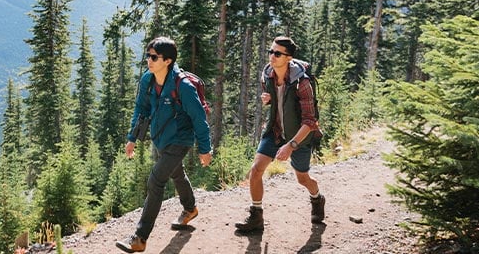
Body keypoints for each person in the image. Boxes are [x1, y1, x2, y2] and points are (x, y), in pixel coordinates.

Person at [116, 36, 213, 253]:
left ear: (168, 61)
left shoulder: (183, 87)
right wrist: (132, 138)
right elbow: (140, 109)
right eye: (148, 56)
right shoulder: (147, 80)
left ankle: (140, 238)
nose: (149, 60)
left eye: (154, 57)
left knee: (156, 180)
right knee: (177, 173)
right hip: (160, 138)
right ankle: (190, 209)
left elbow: (199, 119)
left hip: (180, 139)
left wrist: (205, 149)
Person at [234, 36, 325, 233]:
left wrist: (291, 145)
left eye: (277, 53)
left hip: (299, 137)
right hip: (275, 131)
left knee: (302, 178)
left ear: (289, 58)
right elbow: (272, 99)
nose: (272, 56)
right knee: (256, 170)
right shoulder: (267, 74)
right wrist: (267, 99)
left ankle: (317, 198)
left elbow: (310, 121)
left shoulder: (303, 83)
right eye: (270, 52)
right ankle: (256, 215)